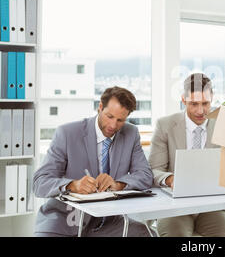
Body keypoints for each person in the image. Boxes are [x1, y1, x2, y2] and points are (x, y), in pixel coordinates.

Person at [33, 86, 154, 237]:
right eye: (109, 116)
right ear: (100, 107)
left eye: (120, 120)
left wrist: (119, 184)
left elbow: (145, 175)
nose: (113, 126)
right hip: (64, 221)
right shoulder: (67, 133)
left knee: (148, 233)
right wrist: (72, 185)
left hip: (108, 223)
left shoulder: (131, 133)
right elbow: (40, 182)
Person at [149, 73, 225, 237]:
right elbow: (153, 170)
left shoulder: (224, 126)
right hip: (174, 207)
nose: (201, 111)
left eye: (206, 103)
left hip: (213, 207)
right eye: (194, 104)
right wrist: (170, 179)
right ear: (183, 100)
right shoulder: (165, 125)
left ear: (212, 98)